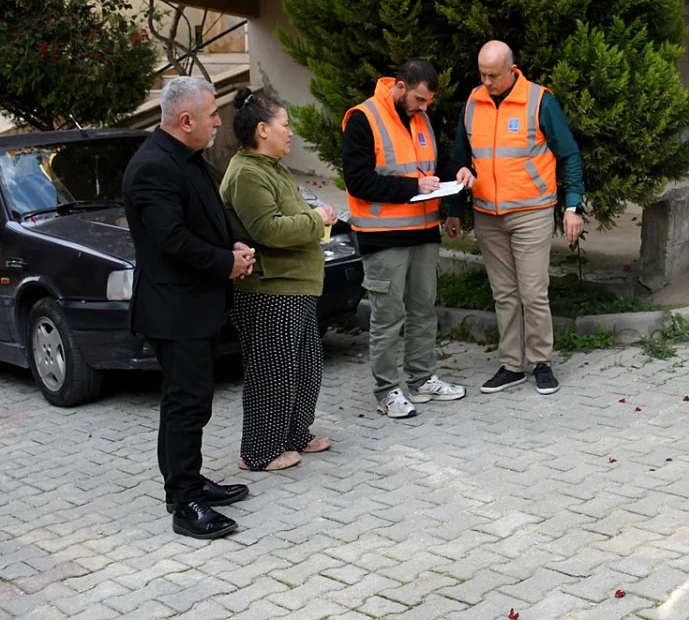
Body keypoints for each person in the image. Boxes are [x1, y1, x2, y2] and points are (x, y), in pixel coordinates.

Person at [123, 76, 255, 540]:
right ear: (185, 121)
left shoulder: (186, 158)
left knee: (189, 402)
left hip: (194, 305)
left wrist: (230, 244)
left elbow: (202, 221)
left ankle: (189, 481)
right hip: (174, 310)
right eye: (211, 115)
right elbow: (173, 241)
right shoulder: (153, 168)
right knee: (186, 405)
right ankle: (185, 502)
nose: (219, 122)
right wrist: (226, 264)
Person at [446, 40, 584, 396]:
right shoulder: (473, 103)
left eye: (493, 75)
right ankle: (511, 365)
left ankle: (541, 363)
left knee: (533, 291)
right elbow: (460, 157)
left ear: (512, 69)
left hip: (531, 211)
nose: (486, 81)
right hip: (487, 213)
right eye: (482, 74)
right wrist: (454, 205)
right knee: (503, 293)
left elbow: (568, 154)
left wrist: (573, 205)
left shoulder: (540, 101)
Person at [342, 59, 475, 418]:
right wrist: (412, 187)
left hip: (423, 232)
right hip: (382, 236)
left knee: (422, 311)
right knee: (388, 316)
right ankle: (387, 390)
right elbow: (358, 180)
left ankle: (422, 378)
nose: (424, 107)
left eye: (428, 102)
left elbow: (433, 163)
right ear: (400, 87)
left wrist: (456, 171)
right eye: (419, 99)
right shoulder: (363, 118)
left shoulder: (421, 118)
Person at [220, 88, 336, 471]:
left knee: (305, 367)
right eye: (285, 125)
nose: (291, 133)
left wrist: (316, 217)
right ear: (262, 130)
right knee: (271, 371)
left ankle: (294, 434)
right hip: (270, 290)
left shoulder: (273, 168)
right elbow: (269, 229)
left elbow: (292, 215)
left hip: (296, 286)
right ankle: (258, 452)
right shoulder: (246, 174)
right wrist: (316, 221)